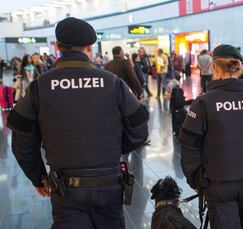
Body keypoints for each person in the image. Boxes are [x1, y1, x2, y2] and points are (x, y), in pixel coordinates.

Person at [6, 17, 149, 228]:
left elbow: (21, 141)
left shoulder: (39, 87)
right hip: (109, 185)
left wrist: (38, 177)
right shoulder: (112, 83)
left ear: (57, 46)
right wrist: (112, 150)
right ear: (89, 48)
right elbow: (140, 129)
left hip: (65, 190)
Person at [179, 44, 243, 229]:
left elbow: (189, 145)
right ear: (239, 67)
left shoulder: (203, 102)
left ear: (215, 67)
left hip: (218, 183)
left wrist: (196, 179)